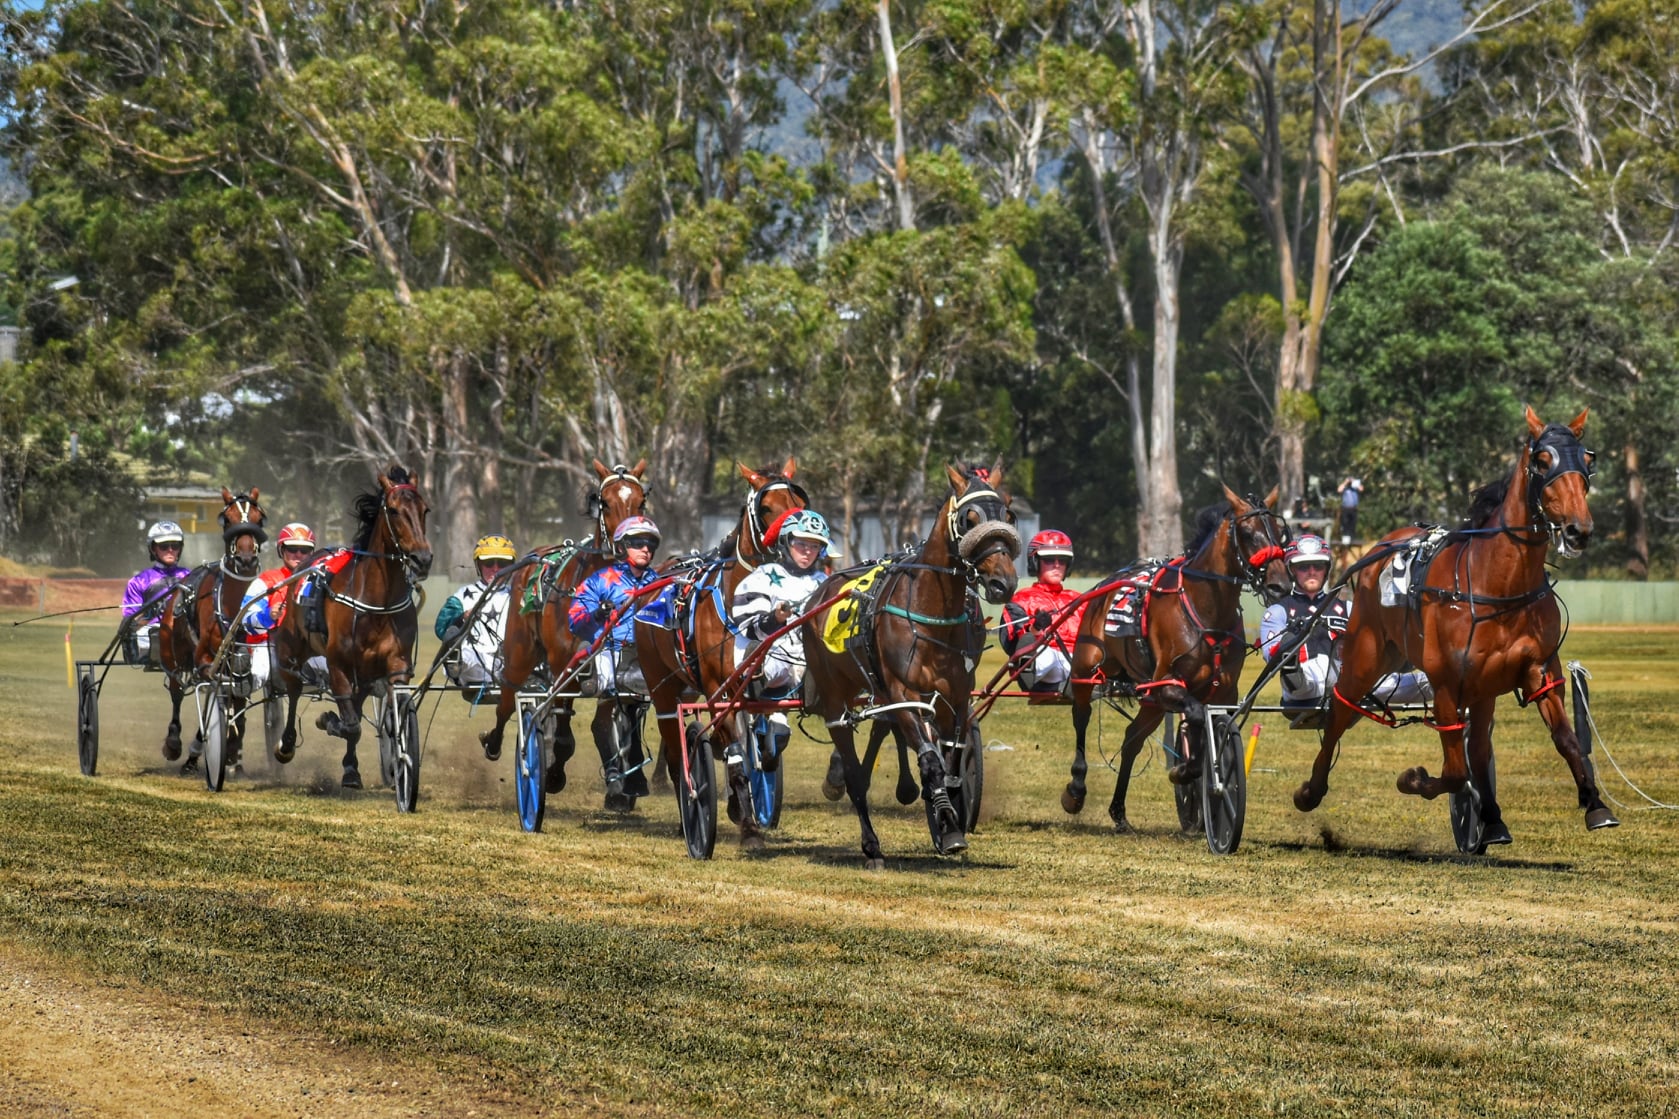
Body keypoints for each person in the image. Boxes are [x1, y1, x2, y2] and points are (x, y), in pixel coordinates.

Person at [1259, 534, 1429, 725]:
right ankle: (1294, 670)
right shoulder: (1278, 612)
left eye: (1318, 566)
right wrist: (1288, 648)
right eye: (1303, 567)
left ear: (1327, 570)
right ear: (1292, 571)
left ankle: (1457, 680)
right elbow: (1270, 655)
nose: (1312, 572)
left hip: (1351, 682)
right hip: (1304, 688)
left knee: (1427, 680)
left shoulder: (1349, 609)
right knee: (1311, 670)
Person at [731, 510, 839, 760]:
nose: (807, 551)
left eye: (815, 546)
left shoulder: (825, 582)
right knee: (774, 665)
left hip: (810, 662)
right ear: (786, 542)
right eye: (801, 543)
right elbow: (749, 627)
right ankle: (771, 714)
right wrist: (775, 619)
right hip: (770, 659)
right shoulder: (763, 576)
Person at [568, 515, 662, 802]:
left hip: (644, 655)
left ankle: (627, 767)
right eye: (637, 543)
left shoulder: (659, 583)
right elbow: (574, 619)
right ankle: (615, 769)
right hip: (608, 650)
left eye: (650, 544)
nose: (645, 549)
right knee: (610, 691)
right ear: (622, 547)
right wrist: (596, 614)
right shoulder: (600, 580)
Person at [999, 529, 1086, 694]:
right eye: (1049, 560)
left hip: (1076, 659)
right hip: (1044, 664)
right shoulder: (1021, 599)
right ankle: (1033, 675)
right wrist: (1036, 629)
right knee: (1048, 655)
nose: (1057, 565)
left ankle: (1076, 684)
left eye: (1063, 560)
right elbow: (1012, 641)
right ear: (1035, 563)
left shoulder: (1079, 600)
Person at [240, 523, 324, 689]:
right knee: (260, 673)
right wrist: (268, 615)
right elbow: (246, 621)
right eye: (292, 548)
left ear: (312, 553)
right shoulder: (265, 581)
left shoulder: (318, 582)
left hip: (307, 646)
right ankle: (242, 686)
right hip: (268, 644)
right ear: (281, 550)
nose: (298, 554)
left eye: (304, 550)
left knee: (333, 665)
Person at [435, 533, 517, 693]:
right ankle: (455, 660)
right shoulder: (462, 595)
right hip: (473, 663)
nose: (495, 568)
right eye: (488, 563)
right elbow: (441, 627)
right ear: (479, 565)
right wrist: (462, 617)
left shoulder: (519, 595)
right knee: (465, 653)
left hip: (511, 661)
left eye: (502, 563)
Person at [121, 521, 191, 665]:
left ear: (180, 548)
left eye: (175, 545)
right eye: (164, 546)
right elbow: (130, 623)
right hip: (151, 636)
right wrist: (150, 615)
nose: (170, 550)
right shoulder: (139, 581)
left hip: (183, 634)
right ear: (153, 549)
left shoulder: (191, 577)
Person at [1336, 476, 1364, 545]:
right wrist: (1346, 482)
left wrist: (1354, 481)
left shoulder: (1355, 488)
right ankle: (1345, 539)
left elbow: (1361, 489)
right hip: (1345, 508)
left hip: (1353, 508)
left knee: (1353, 524)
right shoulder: (1345, 488)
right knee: (1345, 523)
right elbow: (1339, 490)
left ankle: (1352, 539)